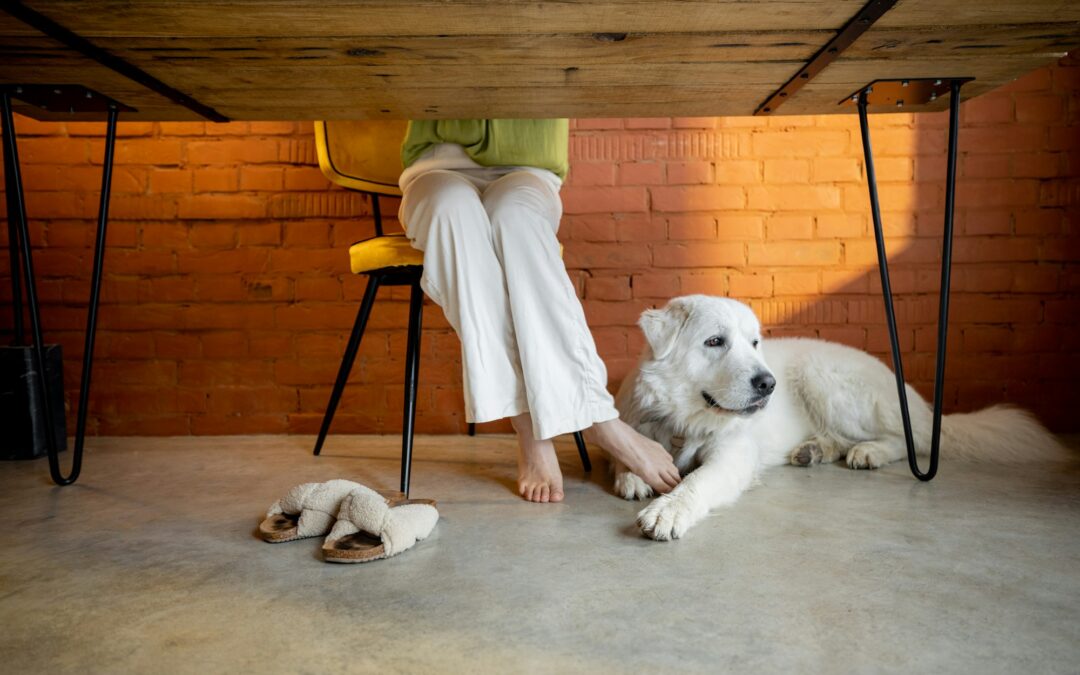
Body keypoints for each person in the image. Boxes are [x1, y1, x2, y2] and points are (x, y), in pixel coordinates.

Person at [398, 119, 680, 503]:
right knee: (452, 211)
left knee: (517, 220)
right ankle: (548, 427)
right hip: (434, 169)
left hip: (527, 170)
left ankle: (596, 418)